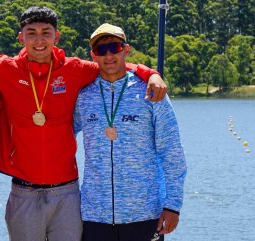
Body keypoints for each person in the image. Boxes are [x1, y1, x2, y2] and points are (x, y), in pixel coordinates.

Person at [0, 6, 167, 241]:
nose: (39, 40)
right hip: (24, 192)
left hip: (67, 193)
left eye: (45, 33)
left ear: (56, 36)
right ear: (21, 37)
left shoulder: (75, 69)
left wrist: (151, 73)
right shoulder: (3, 68)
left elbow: (114, 64)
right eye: (31, 34)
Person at [73, 23, 187, 241]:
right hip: (94, 215)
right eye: (101, 50)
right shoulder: (83, 95)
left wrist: (173, 205)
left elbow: (171, 151)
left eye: (114, 47)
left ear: (126, 49)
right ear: (93, 56)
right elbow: (62, 136)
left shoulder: (152, 91)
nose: (108, 55)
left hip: (145, 214)